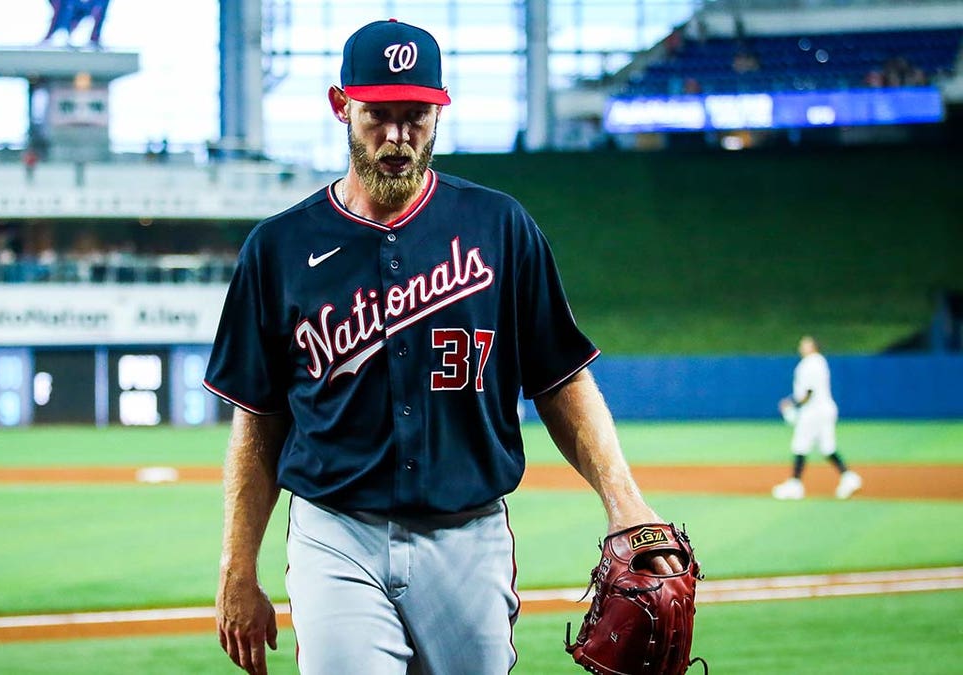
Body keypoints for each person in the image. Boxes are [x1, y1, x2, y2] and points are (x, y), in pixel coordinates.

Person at [203, 19, 684, 675]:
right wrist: (238, 566)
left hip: (469, 534)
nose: (398, 138)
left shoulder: (500, 227)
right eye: (379, 115)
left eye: (417, 116)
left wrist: (625, 501)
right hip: (335, 531)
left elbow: (561, 377)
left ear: (439, 109)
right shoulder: (278, 247)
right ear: (341, 104)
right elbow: (258, 421)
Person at [773, 336, 862, 500]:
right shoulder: (820, 362)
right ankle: (849, 477)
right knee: (827, 447)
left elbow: (808, 392)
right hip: (826, 409)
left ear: (813, 346)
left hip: (813, 412)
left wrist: (791, 403)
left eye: (804, 344)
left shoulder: (808, 364)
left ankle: (795, 485)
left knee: (800, 445)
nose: (801, 346)